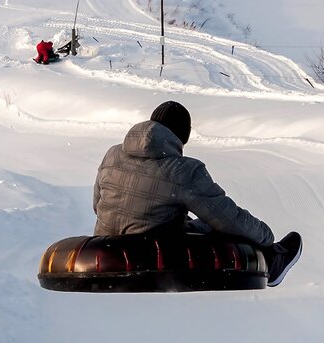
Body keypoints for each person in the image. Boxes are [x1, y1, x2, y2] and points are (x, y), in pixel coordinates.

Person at [92, 100, 301, 286]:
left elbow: (97, 205)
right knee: (222, 226)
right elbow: (228, 218)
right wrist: (266, 237)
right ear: (182, 136)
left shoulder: (112, 154)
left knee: (202, 224)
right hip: (151, 257)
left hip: (104, 250)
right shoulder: (184, 170)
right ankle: (273, 261)